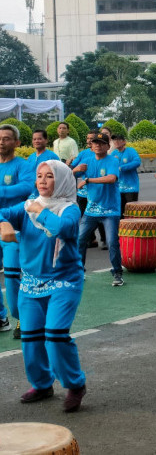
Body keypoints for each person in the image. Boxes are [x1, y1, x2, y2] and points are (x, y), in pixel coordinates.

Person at [0, 160, 87, 412]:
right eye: (39, 176)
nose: (42, 181)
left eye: (49, 176)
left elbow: (63, 229)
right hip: (31, 283)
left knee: (56, 336)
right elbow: (4, 213)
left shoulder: (69, 208)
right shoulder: (27, 206)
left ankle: (75, 384)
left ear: (60, 180)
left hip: (64, 281)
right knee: (30, 339)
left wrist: (40, 210)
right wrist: (5, 224)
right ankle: (41, 384)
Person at [75, 132, 124, 287]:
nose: (97, 145)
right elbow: (68, 175)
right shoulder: (87, 161)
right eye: (95, 142)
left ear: (107, 146)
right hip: (91, 211)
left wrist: (88, 180)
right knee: (80, 240)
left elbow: (111, 178)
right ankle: (78, 271)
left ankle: (117, 273)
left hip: (110, 211)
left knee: (112, 242)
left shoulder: (112, 161)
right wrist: (74, 170)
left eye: (101, 143)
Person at [0, 124, 33, 337]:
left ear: (17, 143)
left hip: (14, 230)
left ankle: (21, 318)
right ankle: (2, 318)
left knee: (12, 277)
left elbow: (28, 188)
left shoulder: (23, 165)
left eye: (7, 138)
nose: (1, 141)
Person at [110, 134, 141, 217]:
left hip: (131, 188)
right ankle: (121, 230)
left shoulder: (131, 151)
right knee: (119, 213)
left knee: (131, 213)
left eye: (118, 140)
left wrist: (122, 168)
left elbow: (137, 162)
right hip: (118, 189)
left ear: (124, 142)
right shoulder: (113, 154)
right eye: (114, 140)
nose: (116, 142)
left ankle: (133, 229)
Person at [26, 129, 59, 198]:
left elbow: (59, 176)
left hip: (47, 196)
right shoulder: (31, 157)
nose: (36, 141)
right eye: (34, 139)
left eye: (39, 139)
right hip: (31, 195)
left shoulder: (52, 157)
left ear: (46, 140)